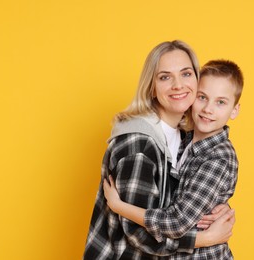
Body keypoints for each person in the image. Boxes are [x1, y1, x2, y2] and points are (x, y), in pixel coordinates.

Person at [83, 41, 236, 260]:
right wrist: (206, 238)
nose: (178, 85)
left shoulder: (187, 138)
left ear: (197, 80)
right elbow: (138, 233)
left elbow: (189, 198)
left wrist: (218, 208)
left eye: (186, 74)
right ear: (151, 87)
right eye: (165, 77)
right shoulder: (138, 145)